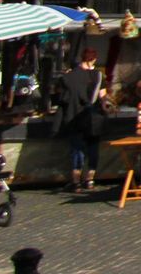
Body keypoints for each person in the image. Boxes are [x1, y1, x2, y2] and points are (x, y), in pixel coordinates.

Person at [59, 47, 108, 191]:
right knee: (93, 148)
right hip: (93, 117)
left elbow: (61, 95)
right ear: (94, 59)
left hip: (74, 116)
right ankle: (90, 180)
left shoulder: (70, 75)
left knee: (77, 149)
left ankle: (76, 182)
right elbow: (103, 98)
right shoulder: (98, 76)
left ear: (81, 58)